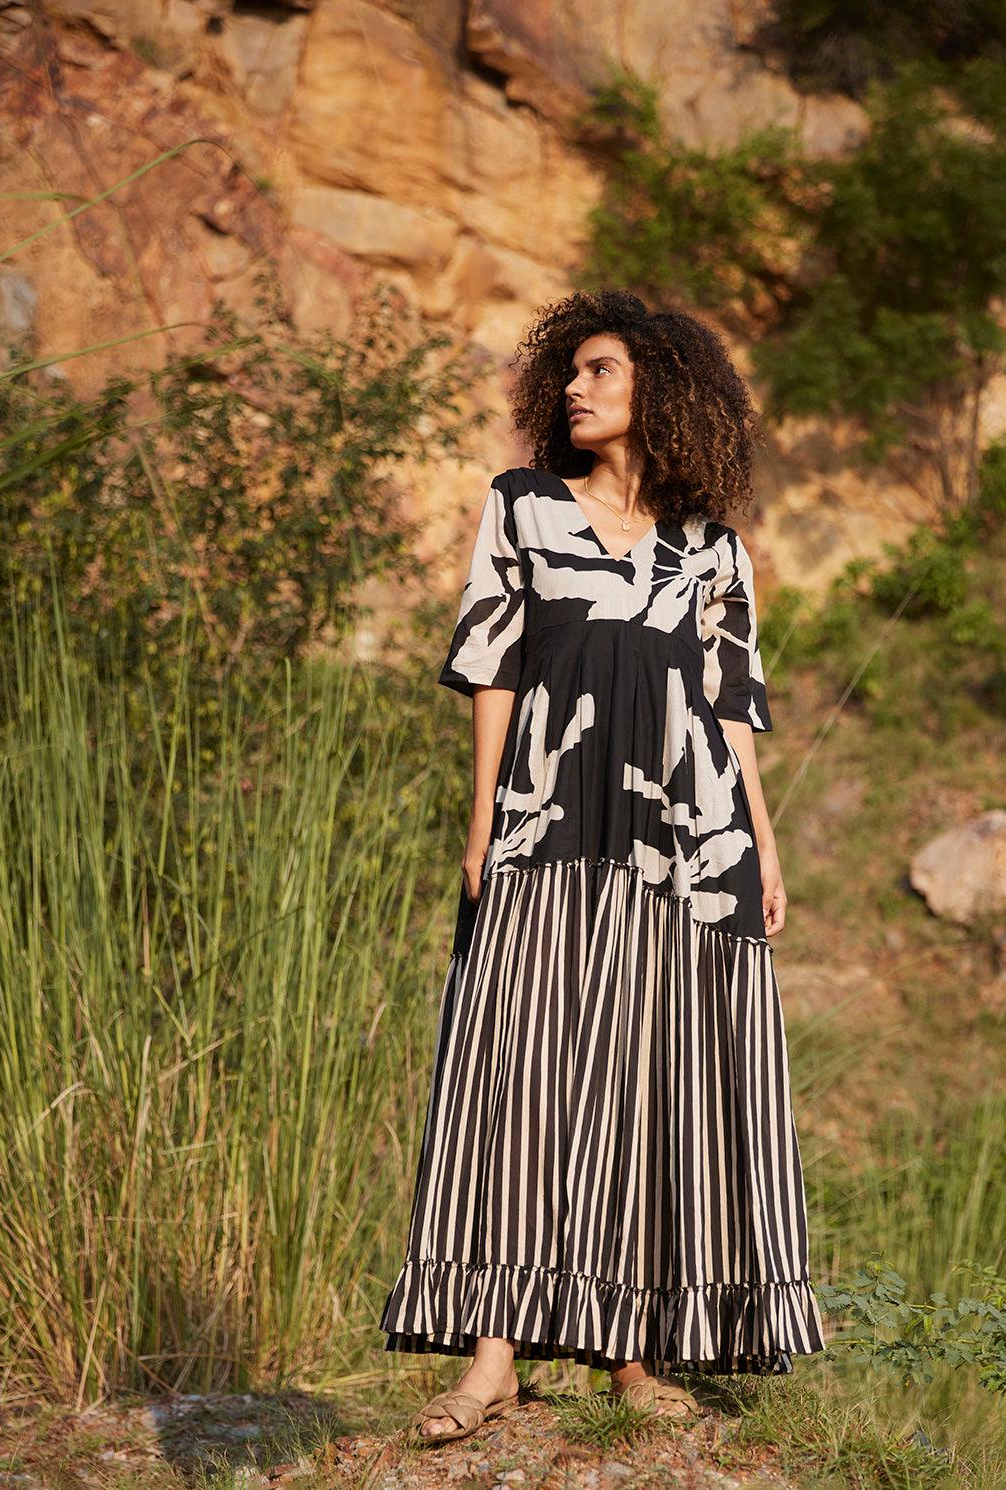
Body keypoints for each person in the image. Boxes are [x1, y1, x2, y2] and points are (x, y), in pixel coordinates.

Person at [379, 288, 827, 1443]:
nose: (574, 388)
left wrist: (765, 846)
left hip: (688, 846)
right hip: (545, 827)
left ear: (659, 391)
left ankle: (630, 1354)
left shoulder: (713, 550)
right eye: (569, 372)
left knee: (651, 1076)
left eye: (601, 371)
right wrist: (481, 819)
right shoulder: (522, 506)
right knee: (516, 1068)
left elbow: (730, 710)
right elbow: (492, 664)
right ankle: (490, 1360)